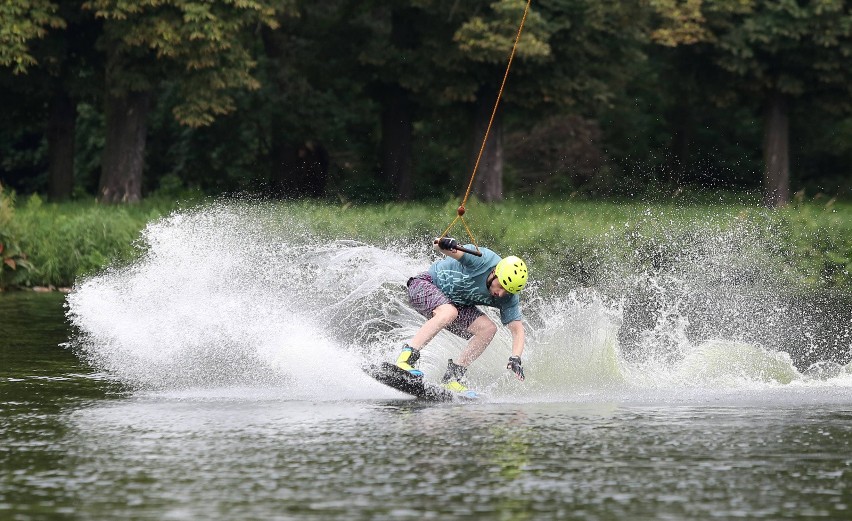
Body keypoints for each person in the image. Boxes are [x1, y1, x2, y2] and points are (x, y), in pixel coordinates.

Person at [395, 237, 529, 393]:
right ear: (494, 273)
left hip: (454, 305)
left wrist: (516, 358)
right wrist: (444, 243)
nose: (501, 293)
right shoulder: (483, 260)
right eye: (501, 286)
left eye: (508, 290)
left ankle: (452, 379)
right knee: (448, 312)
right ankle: (405, 359)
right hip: (424, 285)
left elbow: (517, 330)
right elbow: (438, 245)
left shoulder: (508, 296)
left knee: (488, 329)